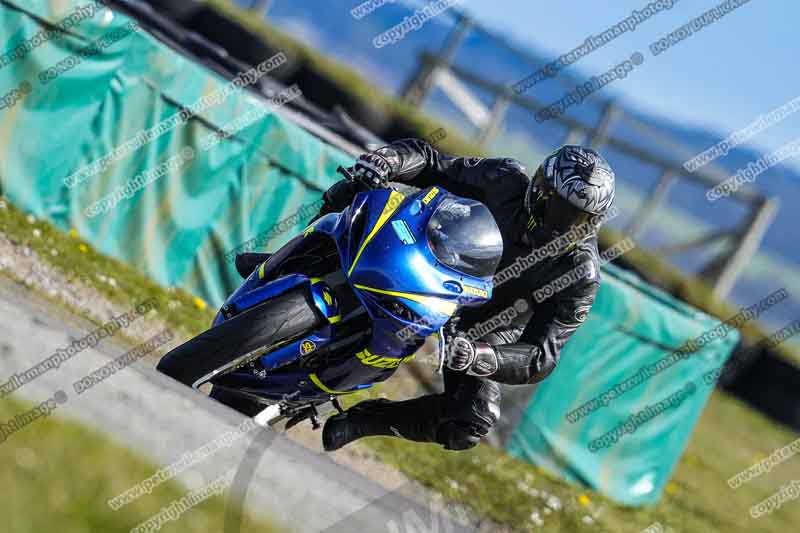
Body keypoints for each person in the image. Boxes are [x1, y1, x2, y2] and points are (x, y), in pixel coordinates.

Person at [239, 140, 616, 451]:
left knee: (471, 421)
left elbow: (542, 355)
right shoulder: (505, 178)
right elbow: (436, 162)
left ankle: (368, 418)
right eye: (559, 208)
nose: (563, 224)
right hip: (429, 256)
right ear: (540, 189)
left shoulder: (581, 273)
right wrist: (389, 160)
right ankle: (287, 261)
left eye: (579, 219)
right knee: (362, 183)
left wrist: (484, 357)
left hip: (482, 325)